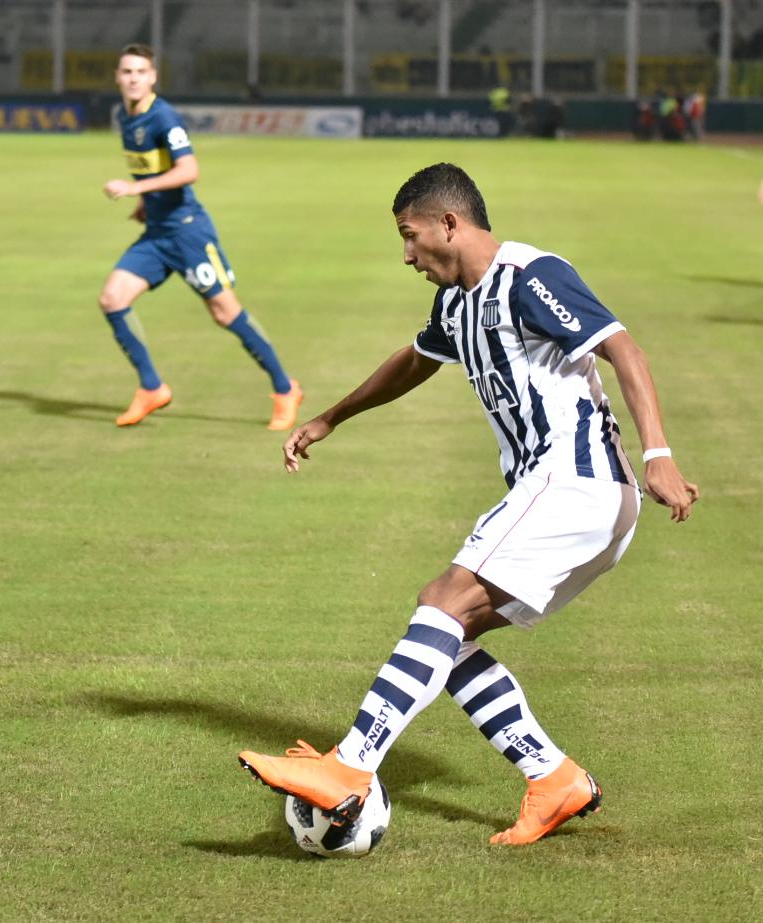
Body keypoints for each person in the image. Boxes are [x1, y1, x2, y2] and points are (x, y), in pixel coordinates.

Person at [238, 163, 698, 845]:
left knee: (440, 600)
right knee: (444, 642)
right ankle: (552, 777)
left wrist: (657, 452)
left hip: (575, 482)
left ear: (448, 223)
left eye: (409, 235)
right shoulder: (455, 302)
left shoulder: (529, 276)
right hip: (564, 496)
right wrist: (332, 416)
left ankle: (350, 765)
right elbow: (415, 359)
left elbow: (621, 348)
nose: (405, 255)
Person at [99, 43, 303, 429]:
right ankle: (151, 388)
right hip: (157, 233)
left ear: (153, 76)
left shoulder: (164, 118)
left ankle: (284, 388)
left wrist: (135, 189)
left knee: (225, 312)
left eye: (140, 72)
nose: (133, 78)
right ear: (117, 76)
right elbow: (154, 170)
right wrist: (147, 203)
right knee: (112, 298)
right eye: (126, 72)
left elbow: (188, 170)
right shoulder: (124, 116)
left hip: (187, 233)